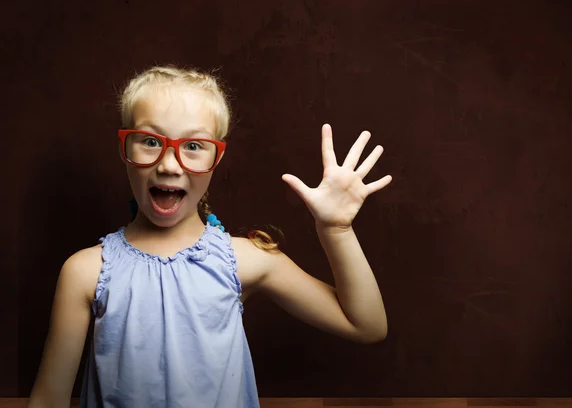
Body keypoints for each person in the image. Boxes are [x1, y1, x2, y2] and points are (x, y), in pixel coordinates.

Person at [27, 65, 393, 408]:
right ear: (124, 149)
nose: (169, 164)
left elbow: (367, 325)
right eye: (150, 141)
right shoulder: (85, 271)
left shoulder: (245, 258)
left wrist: (336, 229)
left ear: (216, 159)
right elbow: (48, 400)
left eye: (193, 146)